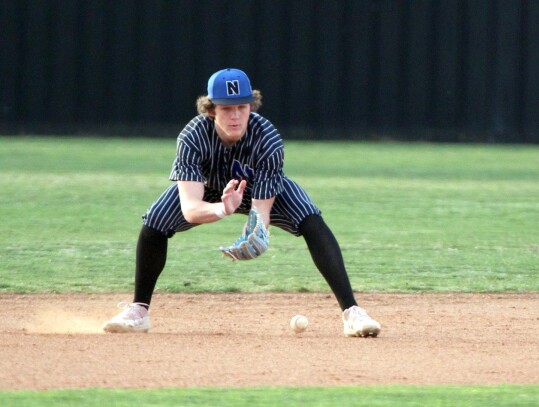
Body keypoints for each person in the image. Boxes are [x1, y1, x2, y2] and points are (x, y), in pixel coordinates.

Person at [102, 68, 381, 337]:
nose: (235, 116)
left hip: (260, 188)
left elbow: (261, 212)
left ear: (252, 106)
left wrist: (257, 232)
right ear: (211, 109)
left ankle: (353, 312)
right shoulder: (192, 137)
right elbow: (190, 207)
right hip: (209, 189)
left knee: (311, 220)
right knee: (154, 225)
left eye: (242, 107)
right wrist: (223, 208)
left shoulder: (268, 138)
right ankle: (139, 310)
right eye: (226, 108)